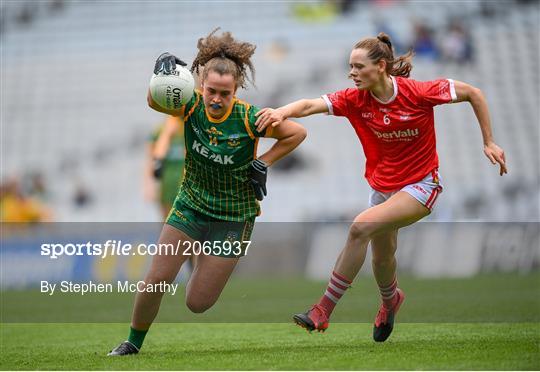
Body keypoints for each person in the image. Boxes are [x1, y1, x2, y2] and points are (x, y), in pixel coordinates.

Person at [255, 32, 507, 342]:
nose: (352, 73)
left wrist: (489, 141)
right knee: (382, 260)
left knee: (360, 226)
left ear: (382, 66)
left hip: (421, 186)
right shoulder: (354, 99)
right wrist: (281, 112)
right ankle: (391, 303)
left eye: (359, 66)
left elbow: (474, 93)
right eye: (350, 66)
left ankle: (322, 310)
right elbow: (308, 105)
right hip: (383, 189)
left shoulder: (418, 92)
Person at [108, 29, 307, 355]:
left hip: (234, 216)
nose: (216, 99)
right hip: (190, 205)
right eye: (211, 91)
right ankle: (132, 342)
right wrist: (160, 74)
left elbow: (296, 133)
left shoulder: (250, 118)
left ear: (236, 90)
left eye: (224, 93)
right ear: (200, 86)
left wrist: (264, 162)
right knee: (155, 282)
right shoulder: (189, 107)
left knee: (197, 302)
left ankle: (203, 253)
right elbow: (152, 100)